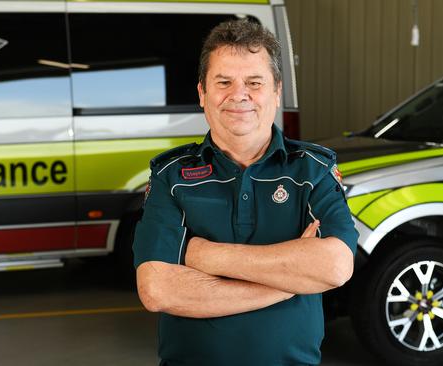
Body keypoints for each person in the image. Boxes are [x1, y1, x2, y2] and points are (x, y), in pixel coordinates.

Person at [133, 19, 358, 366]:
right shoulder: (171, 175)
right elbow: (157, 289)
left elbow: (336, 266)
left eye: (254, 82)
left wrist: (199, 254)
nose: (239, 95)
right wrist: (291, 281)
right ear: (202, 93)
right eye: (224, 82)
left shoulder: (312, 170)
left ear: (276, 91)